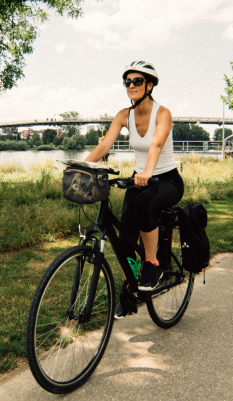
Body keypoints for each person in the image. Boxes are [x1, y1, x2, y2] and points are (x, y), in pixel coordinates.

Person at [84, 61, 183, 318]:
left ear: (150, 85)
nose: (131, 86)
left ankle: (153, 264)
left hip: (167, 180)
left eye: (137, 81)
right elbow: (105, 145)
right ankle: (132, 290)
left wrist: (148, 172)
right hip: (139, 179)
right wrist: (82, 166)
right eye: (127, 82)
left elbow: (156, 144)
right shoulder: (123, 115)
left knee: (144, 205)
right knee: (125, 237)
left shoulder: (163, 113)